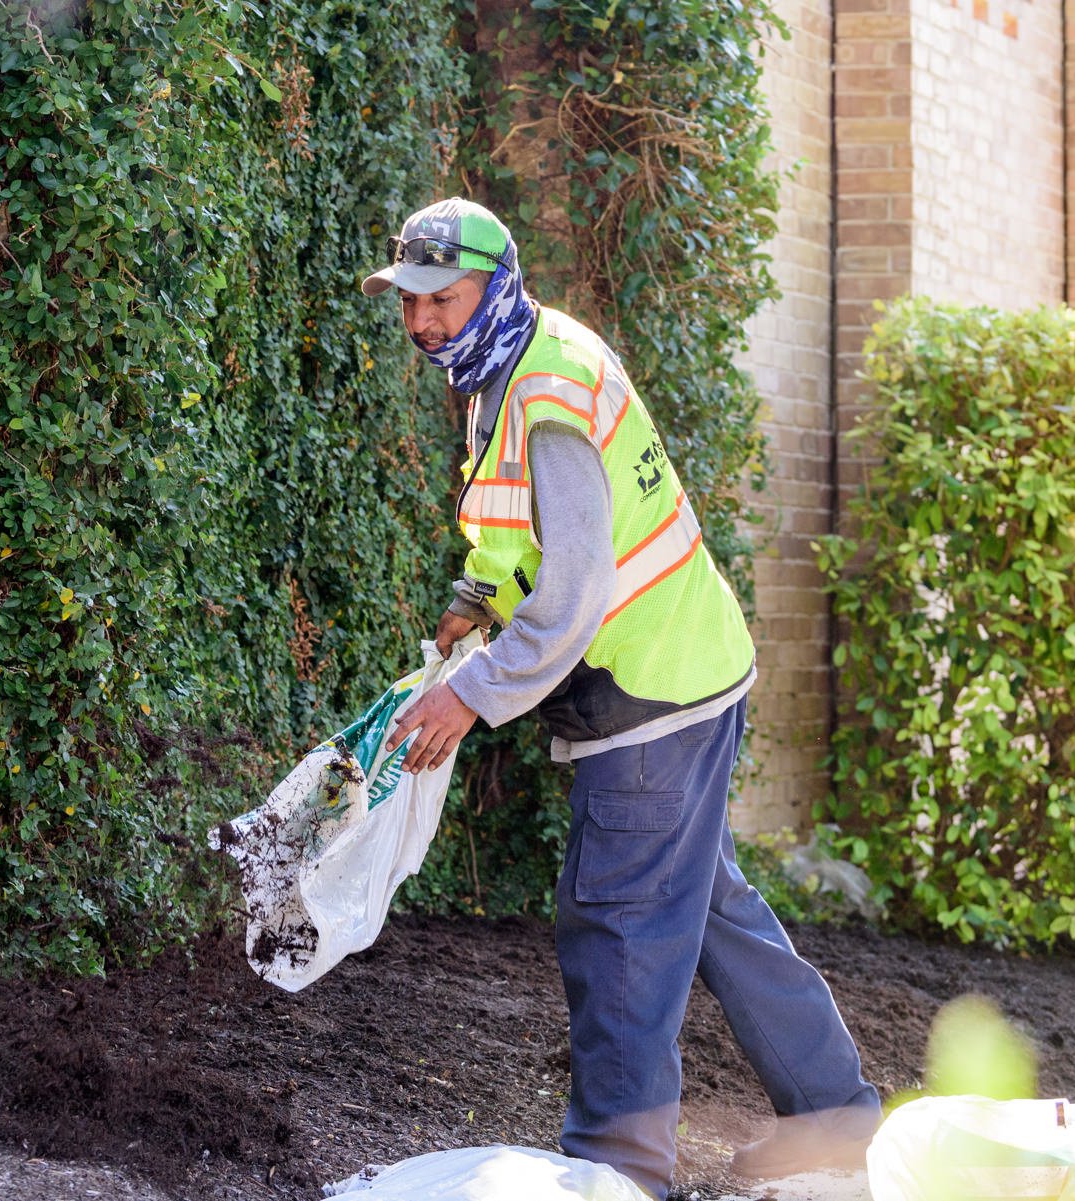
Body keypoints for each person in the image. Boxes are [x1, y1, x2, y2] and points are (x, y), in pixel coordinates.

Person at [371, 198, 881, 1199]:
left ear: (493, 287)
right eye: (410, 301)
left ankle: (619, 1169)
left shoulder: (545, 393)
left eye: (442, 296)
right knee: (708, 910)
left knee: (617, 921)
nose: (424, 319)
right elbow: (527, 537)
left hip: (650, 693)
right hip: (683, 667)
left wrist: (468, 698)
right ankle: (840, 1117)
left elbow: (572, 597)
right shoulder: (509, 362)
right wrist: (476, 599)